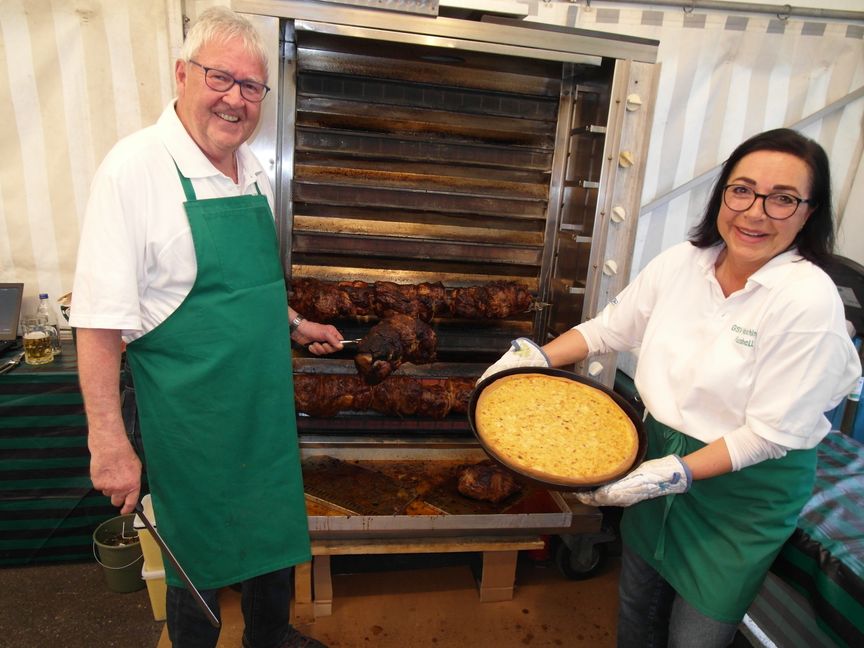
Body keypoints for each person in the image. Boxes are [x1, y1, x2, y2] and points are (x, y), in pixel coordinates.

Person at [480, 128, 861, 647]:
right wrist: (538, 356)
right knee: (637, 607)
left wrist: (672, 475)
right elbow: (609, 329)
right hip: (658, 450)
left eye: (783, 199)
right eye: (742, 189)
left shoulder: (807, 300)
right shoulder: (685, 262)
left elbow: (770, 435)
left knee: (696, 635)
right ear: (722, 192)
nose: (755, 213)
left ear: (808, 213)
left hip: (743, 491)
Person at [71, 7, 341, 648]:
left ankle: (270, 638)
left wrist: (298, 323)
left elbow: (250, 289)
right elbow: (99, 323)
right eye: (221, 78)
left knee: (272, 536)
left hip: (260, 405)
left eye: (252, 87)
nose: (235, 99)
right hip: (190, 420)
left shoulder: (249, 169)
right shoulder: (133, 170)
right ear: (182, 74)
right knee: (198, 559)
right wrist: (108, 443)